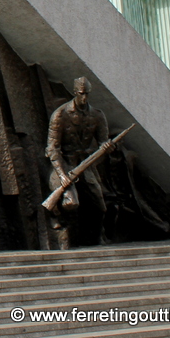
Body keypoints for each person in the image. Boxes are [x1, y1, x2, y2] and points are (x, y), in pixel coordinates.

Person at [45, 76, 111, 249]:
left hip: (85, 164)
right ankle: (58, 223)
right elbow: (52, 149)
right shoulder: (60, 115)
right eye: (81, 94)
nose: (84, 98)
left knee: (100, 206)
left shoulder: (97, 115)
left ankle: (96, 239)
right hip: (64, 163)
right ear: (75, 93)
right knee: (70, 202)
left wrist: (107, 147)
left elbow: (103, 141)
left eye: (87, 94)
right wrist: (62, 175)